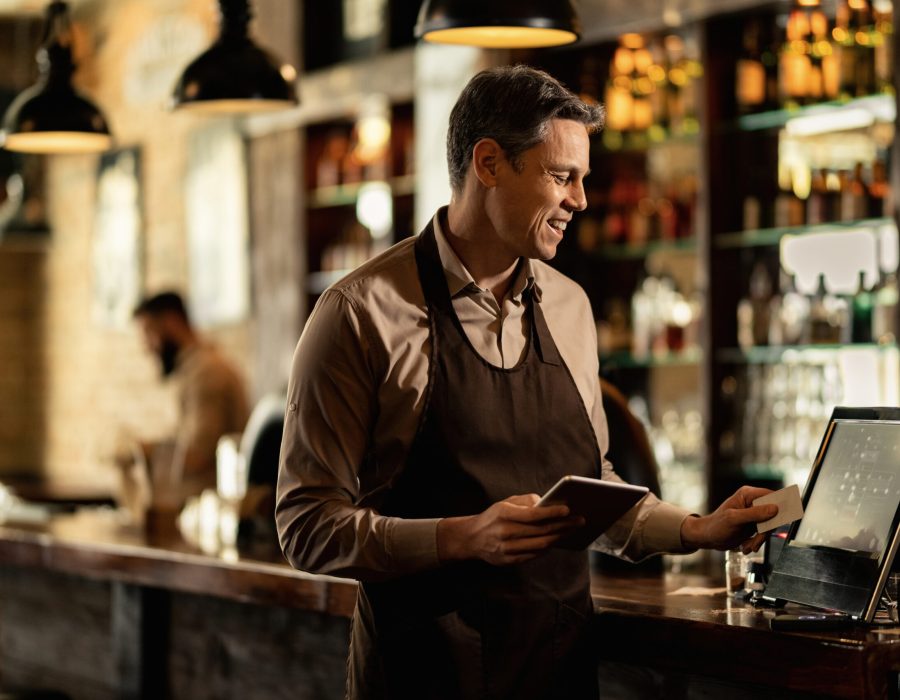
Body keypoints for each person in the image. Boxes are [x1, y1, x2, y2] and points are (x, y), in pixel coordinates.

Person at [276, 65, 778, 700]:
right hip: (421, 678)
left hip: (559, 675)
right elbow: (305, 526)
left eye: (583, 181)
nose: (581, 201)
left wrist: (695, 529)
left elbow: (596, 493)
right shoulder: (359, 311)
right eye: (561, 177)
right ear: (489, 164)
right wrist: (462, 536)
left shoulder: (569, 307)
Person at [122, 291, 250, 510]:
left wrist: (142, 451)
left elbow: (197, 455)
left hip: (210, 513)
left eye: (149, 333)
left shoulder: (206, 373)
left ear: (171, 323)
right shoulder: (194, 371)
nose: (146, 347)